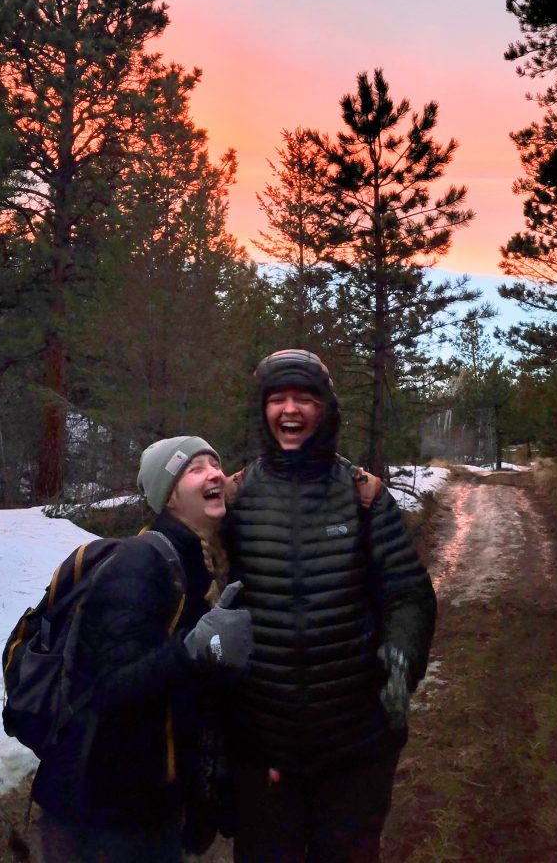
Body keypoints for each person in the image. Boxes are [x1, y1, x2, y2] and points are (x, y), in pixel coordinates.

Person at [224, 349, 437, 863]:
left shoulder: (364, 496)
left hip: (355, 745)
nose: (290, 410)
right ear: (263, 411)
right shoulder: (236, 497)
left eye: (304, 398)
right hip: (263, 745)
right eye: (277, 399)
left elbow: (408, 593)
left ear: (326, 410)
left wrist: (401, 657)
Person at [33, 435, 253, 863]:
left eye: (215, 464)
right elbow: (110, 689)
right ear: (169, 498)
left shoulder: (207, 562)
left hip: (153, 801)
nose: (213, 474)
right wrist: (195, 647)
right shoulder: (140, 564)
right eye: (194, 468)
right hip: (98, 808)